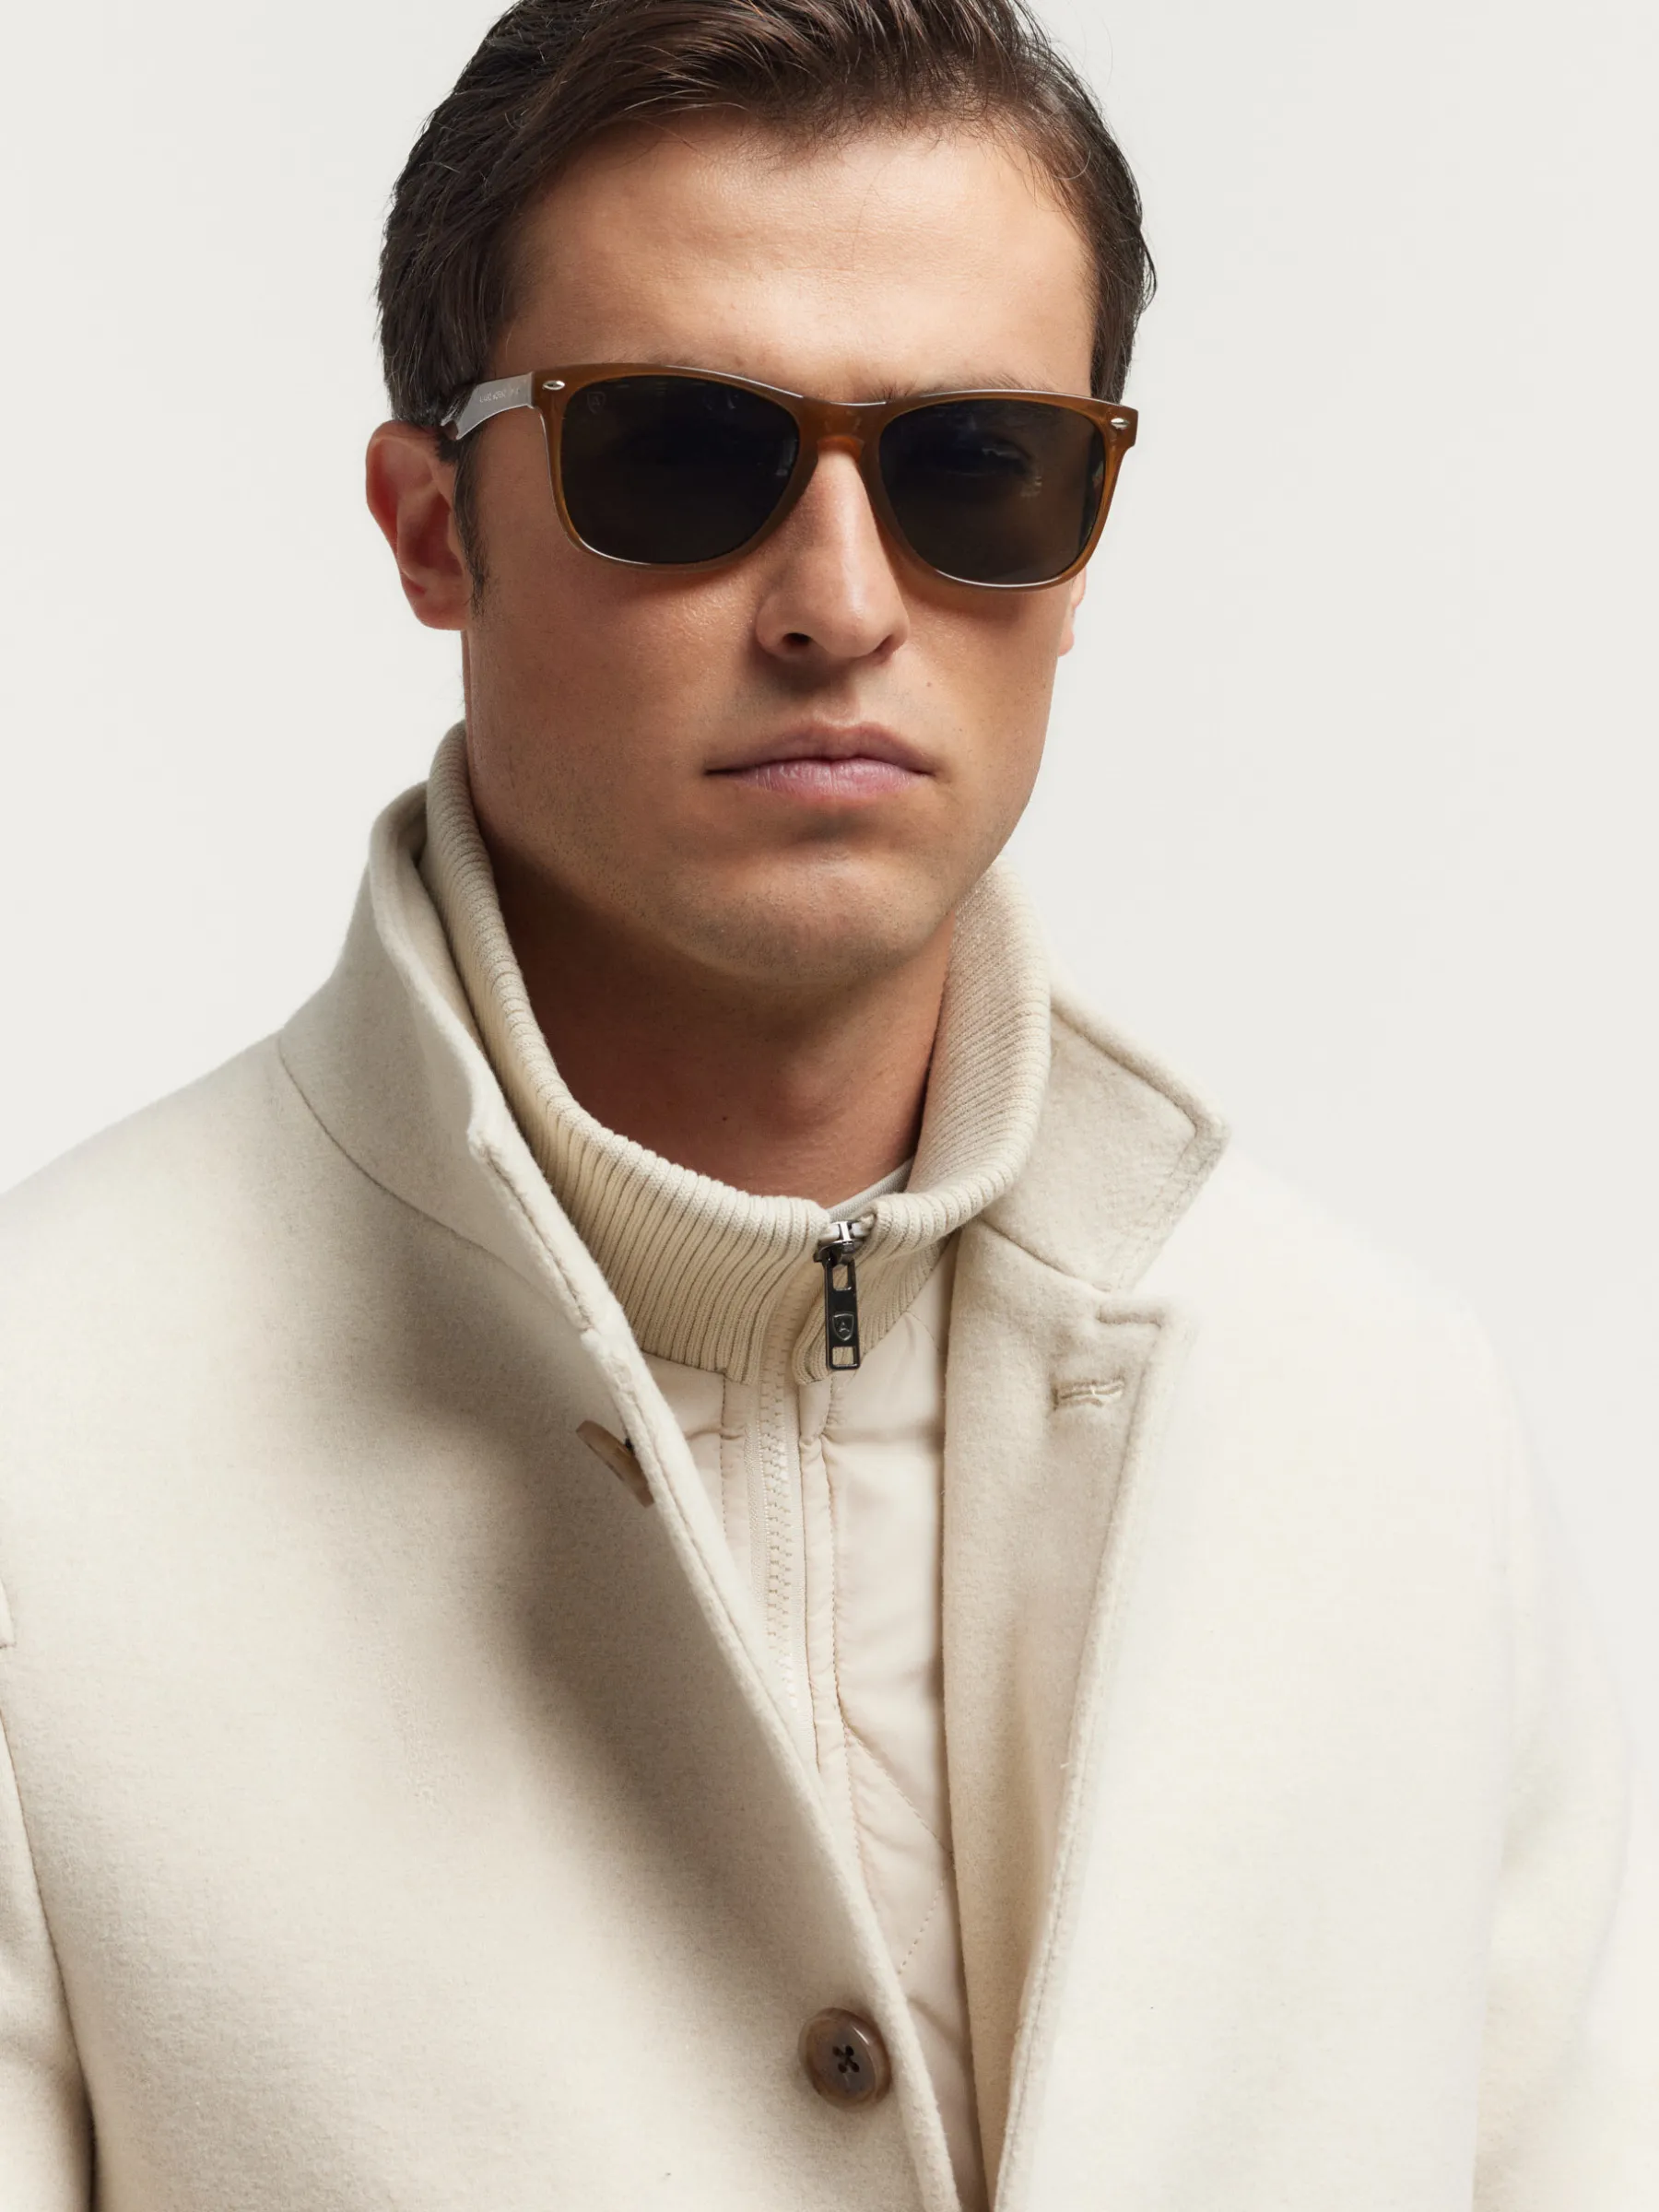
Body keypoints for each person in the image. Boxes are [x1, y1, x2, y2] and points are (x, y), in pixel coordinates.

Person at [0, 0, 1653, 2203]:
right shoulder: (41, 1450)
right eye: (682, 456)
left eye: (977, 467)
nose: (842, 604)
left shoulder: (1389, 1439)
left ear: (1087, 534)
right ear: (429, 527)